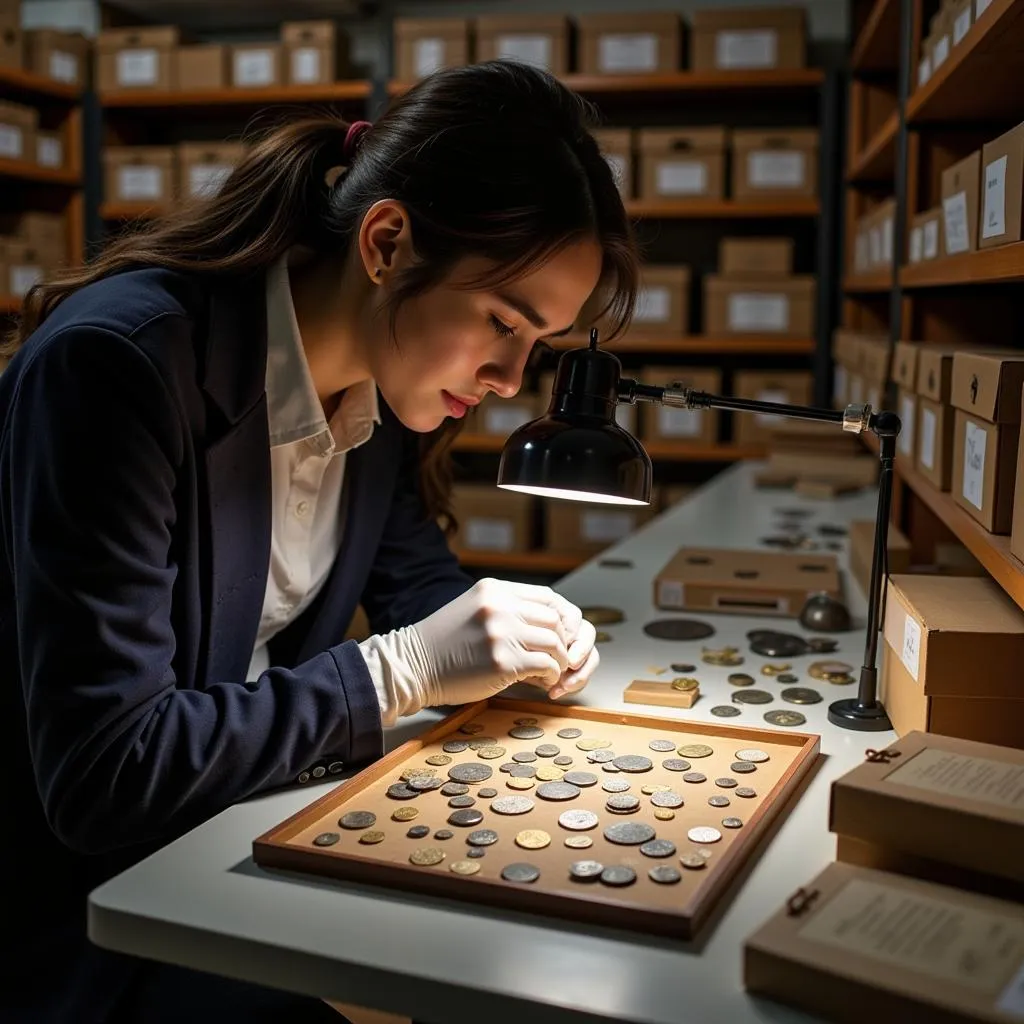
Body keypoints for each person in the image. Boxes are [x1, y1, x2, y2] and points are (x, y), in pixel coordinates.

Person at [0, 60, 638, 1023]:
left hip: (227, 842)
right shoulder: (120, 368)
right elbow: (106, 774)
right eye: (504, 322)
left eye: (538, 346)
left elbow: (421, 582)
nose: (511, 376)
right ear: (386, 245)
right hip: (90, 917)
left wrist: (520, 637)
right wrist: (402, 671)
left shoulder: (373, 392)